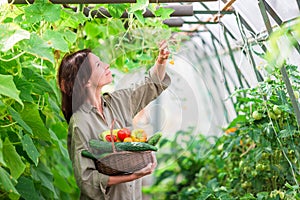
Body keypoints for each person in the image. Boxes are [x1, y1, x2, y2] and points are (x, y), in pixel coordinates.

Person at [57, 41, 171, 200]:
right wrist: (133, 176)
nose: (106, 65)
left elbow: (150, 85)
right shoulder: (80, 122)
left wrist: (161, 61)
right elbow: (87, 180)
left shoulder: (117, 101)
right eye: (98, 64)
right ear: (86, 81)